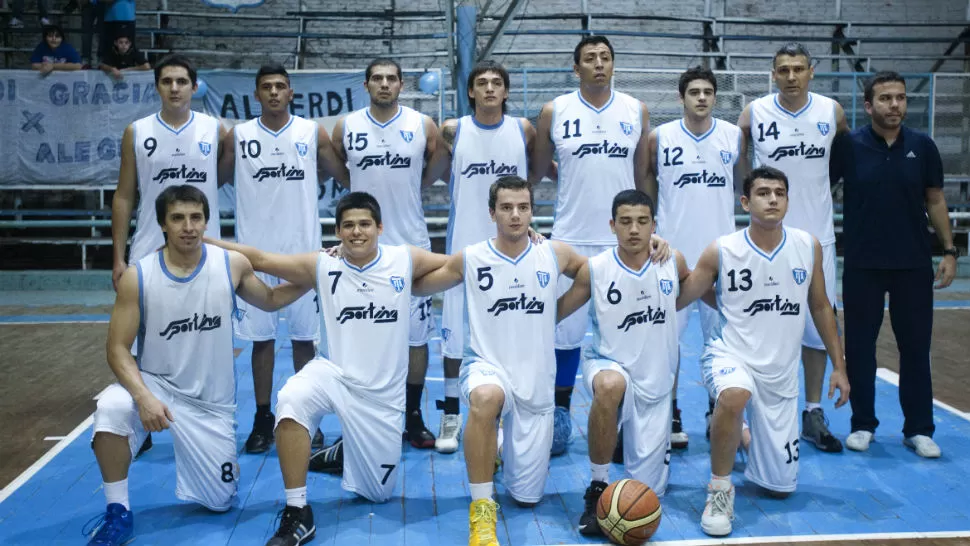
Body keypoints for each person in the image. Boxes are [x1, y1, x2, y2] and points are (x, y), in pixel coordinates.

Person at [204, 191, 453, 546]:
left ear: (380, 227)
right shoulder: (322, 263)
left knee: (377, 494)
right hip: (332, 374)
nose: (356, 232)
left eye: (365, 224)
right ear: (337, 231)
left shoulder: (404, 259)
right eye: (348, 225)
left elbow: (461, 263)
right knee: (292, 397)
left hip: (381, 397)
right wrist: (203, 239)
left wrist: (522, 241)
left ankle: (340, 453)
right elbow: (260, 258)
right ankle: (297, 512)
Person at [84, 185, 311, 546]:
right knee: (111, 407)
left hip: (211, 406)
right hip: (157, 384)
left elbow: (269, 300)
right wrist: (143, 397)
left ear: (207, 222)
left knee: (219, 502)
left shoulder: (229, 264)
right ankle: (117, 512)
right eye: (177, 218)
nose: (188, 226)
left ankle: (203, 473)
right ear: (162, 224)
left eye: (196, 217)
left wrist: (314, 276)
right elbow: (116, 349)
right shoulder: (138, 276)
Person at [407, 176, 587, 546]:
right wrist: (354, 256)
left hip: (536, 385)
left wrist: (554, 313)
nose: (515, 215)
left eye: (523, 207)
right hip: (486, 368)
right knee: (486, 398)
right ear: (492, 213)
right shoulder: (473, 257)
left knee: (526, 498)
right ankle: (482, 509)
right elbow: (417, 283)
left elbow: (595, 274)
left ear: (532, 212)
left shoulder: (555, 253)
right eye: (506, 208)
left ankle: (501, 445)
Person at [677, 166, 850, 537]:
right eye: (763, 192)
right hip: (729, 355)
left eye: (779, 193)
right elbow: (684, 294)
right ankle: (719, 491)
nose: (772, 199)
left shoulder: (808, 246)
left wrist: (840, 364)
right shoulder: (722, 250)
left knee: (779, 488)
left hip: (780, 374)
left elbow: (820, 307)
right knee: (734, 393)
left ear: (788, 200)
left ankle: (740, 435)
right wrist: (669, 256)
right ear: (745, 201)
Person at [217, 63, 349, 455]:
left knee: (304, 340)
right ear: (256, 95)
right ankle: (262, 419)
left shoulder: (312, 132)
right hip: (252, 257)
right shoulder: (239, 136)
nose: (274, 92)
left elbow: (340, 174)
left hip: (303, 255)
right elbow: (219, 178)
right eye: (266, 87)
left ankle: (307, 418)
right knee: (261, 341)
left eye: (280, 86)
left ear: (291, 93)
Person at [531, 35, 651, 455]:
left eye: (605, 58)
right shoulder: (555, 110)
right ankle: (560, 413)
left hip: (623, 240)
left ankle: (620, 421)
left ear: (613, 65)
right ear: (576, 67)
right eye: (589, 59)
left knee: (624, 334)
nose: (598, 64)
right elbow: (538, 168)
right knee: (563, 332)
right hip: (570, 234)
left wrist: (652, 229)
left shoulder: (636, 110)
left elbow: (642, 178)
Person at [556, 189, 698, 536]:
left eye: (642, 222)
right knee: (610, 385)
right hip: (607, 364)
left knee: (648, 493)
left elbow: (700, 287)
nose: (634, 229)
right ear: (612, 225)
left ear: (654, 226)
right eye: (625, 222)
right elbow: (554, 313)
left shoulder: (672, 262)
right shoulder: (596, 269)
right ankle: (598, 486)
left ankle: (625, 442)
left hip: (656, 384)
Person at [832, 71, 957, 458]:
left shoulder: (923, 145)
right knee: (861, 347)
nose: (894, 105)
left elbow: (934, 198)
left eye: (900, 98)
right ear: (868, 106)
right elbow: (821, 192)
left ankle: (918, 429)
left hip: (913, 264)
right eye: (885, 99)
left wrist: (950, 250)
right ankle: (863, 425)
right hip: (862, 264)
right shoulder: (848, 146)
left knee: (916, 348)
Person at [421, 59, 543, 454]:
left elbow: (531, 179)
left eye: (496, 83)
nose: (489, 88)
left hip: (512, 247)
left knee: (509, 326)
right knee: (454, 335)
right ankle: (452, 412)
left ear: (506, 92)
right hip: (465, 245)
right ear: (471, 91)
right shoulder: (454, 130)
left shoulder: (522, 129)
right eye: (482, 83)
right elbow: (433, 175)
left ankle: (508, 409)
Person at [737, 42, 850, 454]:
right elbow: (742, 167)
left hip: (817, 236)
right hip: (767, 238)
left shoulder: (831, 112)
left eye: (798, 69)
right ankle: (754, 412)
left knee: (818, 330)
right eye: (783, 69)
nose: (790, 76)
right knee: (761, 324)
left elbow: (841, 161)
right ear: (773, 73)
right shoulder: (754, 114)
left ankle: (813, 410)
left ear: (811, 72)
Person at [331, 58, 441, 449]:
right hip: (361, 246)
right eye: (376, 78)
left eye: (391, 79)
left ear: (401, 85)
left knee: (415, 339)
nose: (384, 84)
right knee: (364, 333)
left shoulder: (421, 125)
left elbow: (432, 170)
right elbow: (342, 173)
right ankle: (365, 414)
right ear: (366, 84)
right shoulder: (347, 126)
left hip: (410, 243)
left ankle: (412, 416)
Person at [643, 66, 744, 450]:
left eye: (707, 92)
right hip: (673, 256)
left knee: (720, 341)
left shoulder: (733, 136)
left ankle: (716, 409)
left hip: (722, 257)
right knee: (667, 341)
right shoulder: (660, 138)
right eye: (694, 92)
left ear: (715, 97)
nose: (701, 98)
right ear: (681, 97)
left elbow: (744, 186)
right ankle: (669, 413)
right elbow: (647, 189)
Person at [112, 54, 227, 291]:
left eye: (182, 82)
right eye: (166, 82)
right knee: (149, 326)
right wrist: (117, 258)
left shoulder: (215, 129)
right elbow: (123, 197)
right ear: (157, 87)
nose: (174, 88)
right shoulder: (136, 132)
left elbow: (224, 178)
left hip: (206, 249)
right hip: (148, 248)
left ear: (194, 87)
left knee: (206, 325)